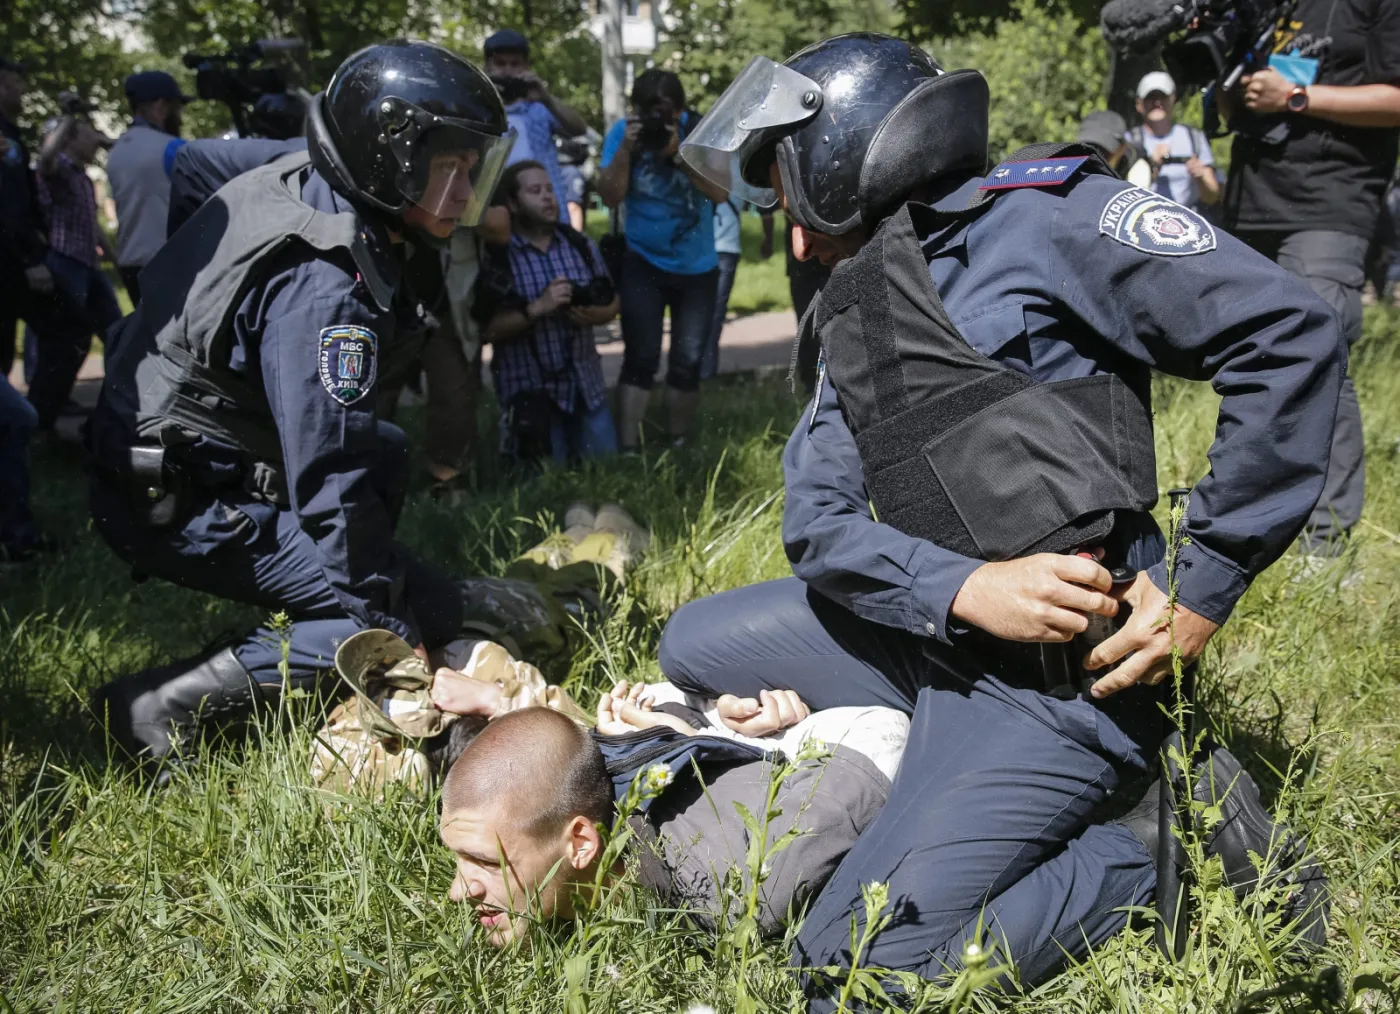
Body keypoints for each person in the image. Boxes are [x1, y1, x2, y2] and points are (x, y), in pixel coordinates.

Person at [666, 33, 1335, 1003]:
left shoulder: (1043, 223)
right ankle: (934, 762)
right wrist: (963, 589)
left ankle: (1138, 847)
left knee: (847, 973)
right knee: (690, 642)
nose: (796, 241)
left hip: (1056, 679)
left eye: (790, 194)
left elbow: (1284, 332)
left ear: (850, 154)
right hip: (944, 636)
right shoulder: (859, 299)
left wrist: (1205, 578)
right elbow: (815, 522)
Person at [87, 41, 517, 779]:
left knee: (406, 515)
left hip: (186, 457)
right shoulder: (327, 288)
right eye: (446, 166)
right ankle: (155, 707)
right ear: (385, 161)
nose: (463, 190)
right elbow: (332, 469)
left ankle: (313, 604)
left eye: (471, 169)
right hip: (181, 494)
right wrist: (384, 624)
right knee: (394, 620)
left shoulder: (311, 168)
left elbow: (191, 167)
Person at [439, 686, 905, 947]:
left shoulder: (750, 880)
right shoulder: (582, 785)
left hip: (858, 726)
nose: (458, 892)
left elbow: (886, 732)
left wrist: (748, 742)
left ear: (581, 844)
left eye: (483, 861)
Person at [1218, 0, 1400, 556]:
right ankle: (1243, 529)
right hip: (1252, 203)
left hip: (1331, 204)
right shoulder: (1265, 7)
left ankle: (1325, 546)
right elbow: (1233, 108)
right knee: (1249, 365)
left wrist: (1296, 96)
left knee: (1322, 361)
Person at [597, 70, 728, 449]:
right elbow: (609, 196)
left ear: (681, 109)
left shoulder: (702, 130)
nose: (658, 120)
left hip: (697, 267)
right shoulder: (624, 132)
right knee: (640, 355)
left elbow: (721, 194)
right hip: (643, 261)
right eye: (649, 112)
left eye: (666, 113)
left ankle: (678, 443)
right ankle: (628, 449)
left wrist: (678, 154)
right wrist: (625, 150)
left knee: (687, 361)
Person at [474, 160, 619, 465]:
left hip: (585, 387)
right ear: (512, 203)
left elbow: (612, 302)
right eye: (535, 191)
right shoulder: (499, 255)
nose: (547, 198)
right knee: (541, 484)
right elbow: (485, 331)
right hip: (531, 395)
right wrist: (537, 308)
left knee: (608, 474)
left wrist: (596, 315)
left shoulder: (579, 244)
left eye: (550, 189)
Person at [28, 110, 121, 430]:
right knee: (66, 341)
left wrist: (114, 258)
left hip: (89, 265)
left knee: (115, 330)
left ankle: (122, 397)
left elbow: (91, 225)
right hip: (65, 263)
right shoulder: (59, 169)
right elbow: (47, 157)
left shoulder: (82, 175)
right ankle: (45, 411)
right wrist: (69, 119)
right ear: (70, 139)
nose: (94, 140)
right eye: (88, 135)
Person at [0, 58, 86, 386]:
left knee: (69, 330)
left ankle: (35, 422)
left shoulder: (12, 135)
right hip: (11, 261)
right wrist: (27, 260)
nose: (22, 91)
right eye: (16, 84)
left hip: (18, 258)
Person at [483, 29, 586, 226]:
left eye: (515, 64)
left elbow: (578, 129)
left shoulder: (539, 108)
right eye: (500, 63)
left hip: (543, 215)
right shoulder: (479, 109)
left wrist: (547, 99)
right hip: (499, 217)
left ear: (526, 66)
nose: (507, 71)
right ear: (487, 66)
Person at [106, 70, 193, 303]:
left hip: (131, 266)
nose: (181, 118)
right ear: (161, 106)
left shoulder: (118, 150)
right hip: (166, 263)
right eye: (177, 109)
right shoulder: (173, 148)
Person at [701, 196, 774, 380]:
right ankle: (703, 372)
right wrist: (768, 239)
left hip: (713, 248)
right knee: (712, 312)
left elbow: (764, 202)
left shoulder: (731, 170)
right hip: (715, 249)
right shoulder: (736, 173)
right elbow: (764, 203)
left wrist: (768, 238)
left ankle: (703, 373)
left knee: (709, 312)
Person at [1130, 71, 1220, 212]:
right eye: (1151, 97)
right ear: (1139, 104)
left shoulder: (1194, 137)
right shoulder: (1130, 141)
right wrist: (1151, 166)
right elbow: (1124, 195)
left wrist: (1200, 175)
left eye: (1162, 96)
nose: (1157, 102)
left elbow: (1213, 196)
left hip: (1188, 223)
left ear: (1173, 99)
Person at [1076, 109, 1152, 188]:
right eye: (1086, 149)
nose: (1094, 157)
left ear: (1122, 148)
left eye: (1103, 152)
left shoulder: (1138, 170)